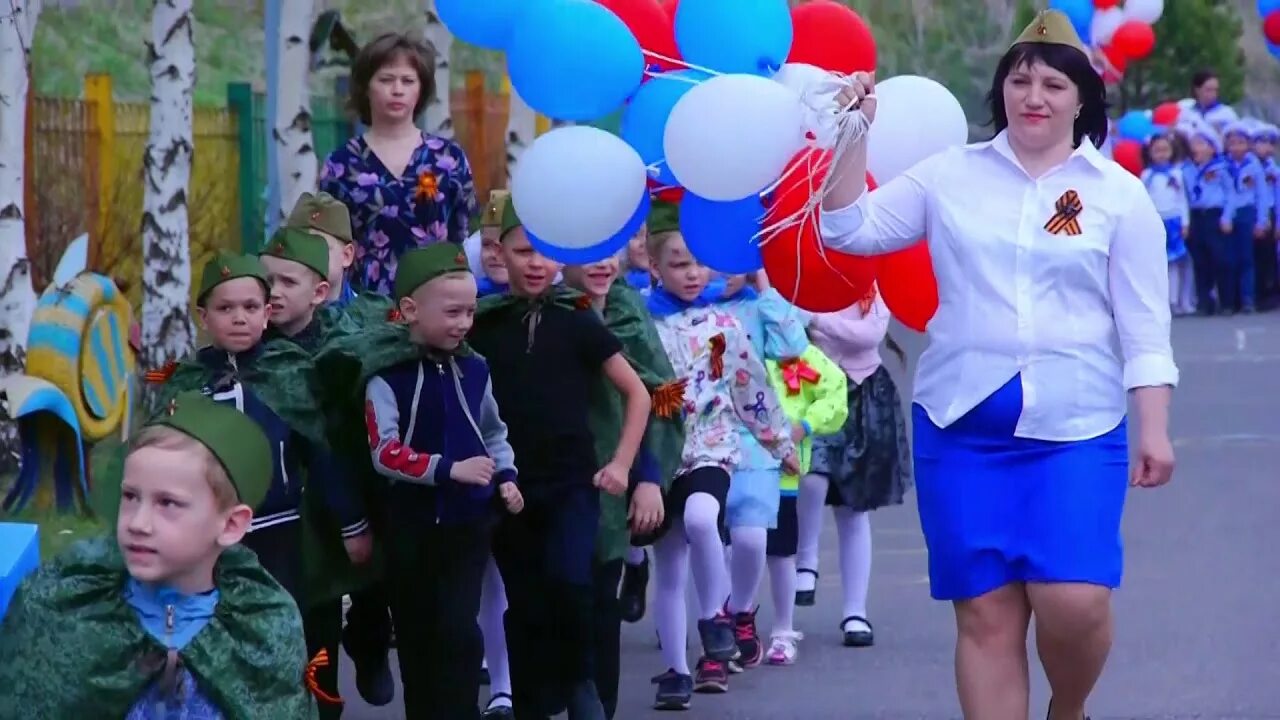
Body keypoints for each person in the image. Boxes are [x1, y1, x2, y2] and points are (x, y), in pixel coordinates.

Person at [821, 10, 1177, 719]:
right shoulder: (950, 175)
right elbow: (847, 227)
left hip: (1076, 426)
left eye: (1052, 82)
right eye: (1020, 80)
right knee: (985, 616)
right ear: (1001, 91)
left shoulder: (1117, 194)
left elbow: (1144, 325)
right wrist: (852, 133)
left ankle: (1067, 707)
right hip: (960, 430)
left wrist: (1155, 428)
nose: (1033, 95)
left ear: (1082, 98)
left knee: (1073, 600)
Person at [0, 392, 315, 717]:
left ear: (231, 525)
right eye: (131, 496)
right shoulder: (65, 611)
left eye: (168, 503)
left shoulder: (262, 630)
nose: (138, 523)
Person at [152, 251, 369, 715]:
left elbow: (322, 451)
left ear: (268, 313)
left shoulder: (290, 372)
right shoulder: (187, 384)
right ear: (203, 316)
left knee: (295, 636)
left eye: (251, 307)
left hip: (282, 535)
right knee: (226, 645)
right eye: (226, 308)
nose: (239, 318)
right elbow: (160, 466)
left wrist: (352, 523)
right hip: (213, 545)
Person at [469, 196, 652, 719]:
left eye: (544, 252)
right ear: (499, 255)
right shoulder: (483, 327)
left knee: (573, 582)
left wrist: (620, 464)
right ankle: (530, 700)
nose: (533, 263)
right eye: (522, 250)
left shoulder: (578, 322)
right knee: (524, 601)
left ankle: (579, 683)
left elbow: (637, 394)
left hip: (573, 485)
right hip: (510, 488)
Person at [352, 243, 523, 719]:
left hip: (468, 524)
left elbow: (492, 430)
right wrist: (448, 469)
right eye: (451, 312)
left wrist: (506, 474)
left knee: (460, 635)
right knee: (417, 639)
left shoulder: (475, 368)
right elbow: (383, 452)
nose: (463, 323)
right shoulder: (387, 378)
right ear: (409, 310)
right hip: (410, 529)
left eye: (469, 311)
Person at [644, 201, 799, 707]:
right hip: (660, 452)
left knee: (702, 516)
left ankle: (714, 616)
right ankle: (674, 669)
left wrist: (779, 441)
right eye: (678, 263)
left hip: (710, 447)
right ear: (654, 267)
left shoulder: (724, 325)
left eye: (697, 262)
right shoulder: (640, 324)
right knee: (667, 569)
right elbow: (635, 391)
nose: (691, 273)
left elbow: (750, 388)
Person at [284, 193, 398, 707]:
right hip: (311, 490)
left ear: (347, 255)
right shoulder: (277, 322)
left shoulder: (377, 315)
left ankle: (371, 644)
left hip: (372, 473)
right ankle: (322, 694)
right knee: (319, 605)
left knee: (377, 584)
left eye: (321, 245)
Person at [562, 252, 684, 719]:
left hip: (612, 480)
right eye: (585, 251)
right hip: (552, 477)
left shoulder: (630, 312)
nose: (602, 263)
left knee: (599, 599)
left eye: (610, 248)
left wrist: (648, 479)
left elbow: (661, 396)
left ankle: (599, 705)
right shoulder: (544, 311)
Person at [796, 285, 912, 650]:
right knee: (811, 474)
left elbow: (869, 335)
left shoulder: (872, 285)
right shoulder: (806, 276)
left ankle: (854, 611)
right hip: (812, 388)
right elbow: (790, 322)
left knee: (854, 507)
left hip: (862, 392)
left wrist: (817, 319)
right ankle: (806, 560)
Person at [319, 32, 477, 295]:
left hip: (436, 304)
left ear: (421, 89)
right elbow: (327, 245)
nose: (397, 90)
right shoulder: (342, 164)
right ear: (365, 87)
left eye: (408, 80)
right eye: (386, 79)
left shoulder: (448, 159)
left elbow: (466, 235)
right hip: (363, 311)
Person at [711, 270, 809, 670]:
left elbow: (792, 346)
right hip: (700, 436)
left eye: (734, 263)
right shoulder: (683, 309)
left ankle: (741, 609)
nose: (723, 273)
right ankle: (714, 622)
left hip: (755, 437)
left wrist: (766, 285)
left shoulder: (756, 305)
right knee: (710, 538)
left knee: (751, 538)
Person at [757, 307, 847, 666]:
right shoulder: (732, 328)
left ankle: (782, 630)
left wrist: (805, 426)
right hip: (736, 466)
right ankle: (731, 621)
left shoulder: (801, 351)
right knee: (734, 548)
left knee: (781, 553)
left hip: (785, 473)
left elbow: (835, 392)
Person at [1141, 133, 1194, 316]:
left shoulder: (1176, 174)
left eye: (1165, 150)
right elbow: (1142, 201)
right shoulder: (1146, 175)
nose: (1161, 154)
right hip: (1155, 222)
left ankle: (1175, 300)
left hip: (1174, 221)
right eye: (1157, 150)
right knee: (1157, 263)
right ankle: (1159, 301)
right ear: (1150, 153)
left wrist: (1185, 223)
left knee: (1175, 263)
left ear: (1172, 151)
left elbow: (1182, 200)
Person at [1183, 122, 1230, 315]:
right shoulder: (1186, 169)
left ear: (1212, 148)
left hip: (1214, 215)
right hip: (1196, 216)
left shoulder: (1221, 168)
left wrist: (1227, 217)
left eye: (1201, 144)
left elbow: (1230, 194)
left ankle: (1226, 301)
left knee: (1220, 259)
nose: (1196, 148)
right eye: (1194, 144)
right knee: (1200, 260)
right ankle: (1204, 301)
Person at [1220, 120, 1267, 314]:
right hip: (1228, 215)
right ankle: (1230, 302)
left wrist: (1261, 221)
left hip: (1247, 213)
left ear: (1248, 145)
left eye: (1241, 142)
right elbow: (1225, 194)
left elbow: (1261, 194)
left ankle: (1248, 299)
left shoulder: (1254, 165)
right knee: (1230, 259)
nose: (1237, 147)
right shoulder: (1222, 167)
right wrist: (1225, 218)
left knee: (1247, 258)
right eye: (1232, 143)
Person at [1254, 124, 1280, 308]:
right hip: (1253, 213)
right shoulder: (1251, 166)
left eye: (1271, 143)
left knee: (1269, 256)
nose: (1267, 148)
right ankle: (1257, 293)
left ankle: (1270, 293)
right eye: (1262, 143)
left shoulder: (1274, 169)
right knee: (1255, 256)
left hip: (1271, 211)